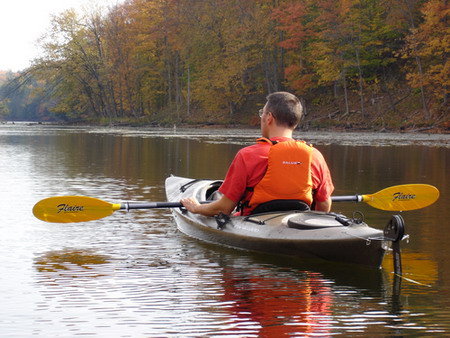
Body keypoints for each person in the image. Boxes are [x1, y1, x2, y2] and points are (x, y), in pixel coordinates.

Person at [181, 91, 334, 216]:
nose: (262, 117)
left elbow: (224, 208)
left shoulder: (248, 155)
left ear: (269, 118)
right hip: (299, 221)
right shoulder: (315, 155)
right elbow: (324, 204)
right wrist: (311, 224)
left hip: (255, 221)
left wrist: (196, 208)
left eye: (262, 113)